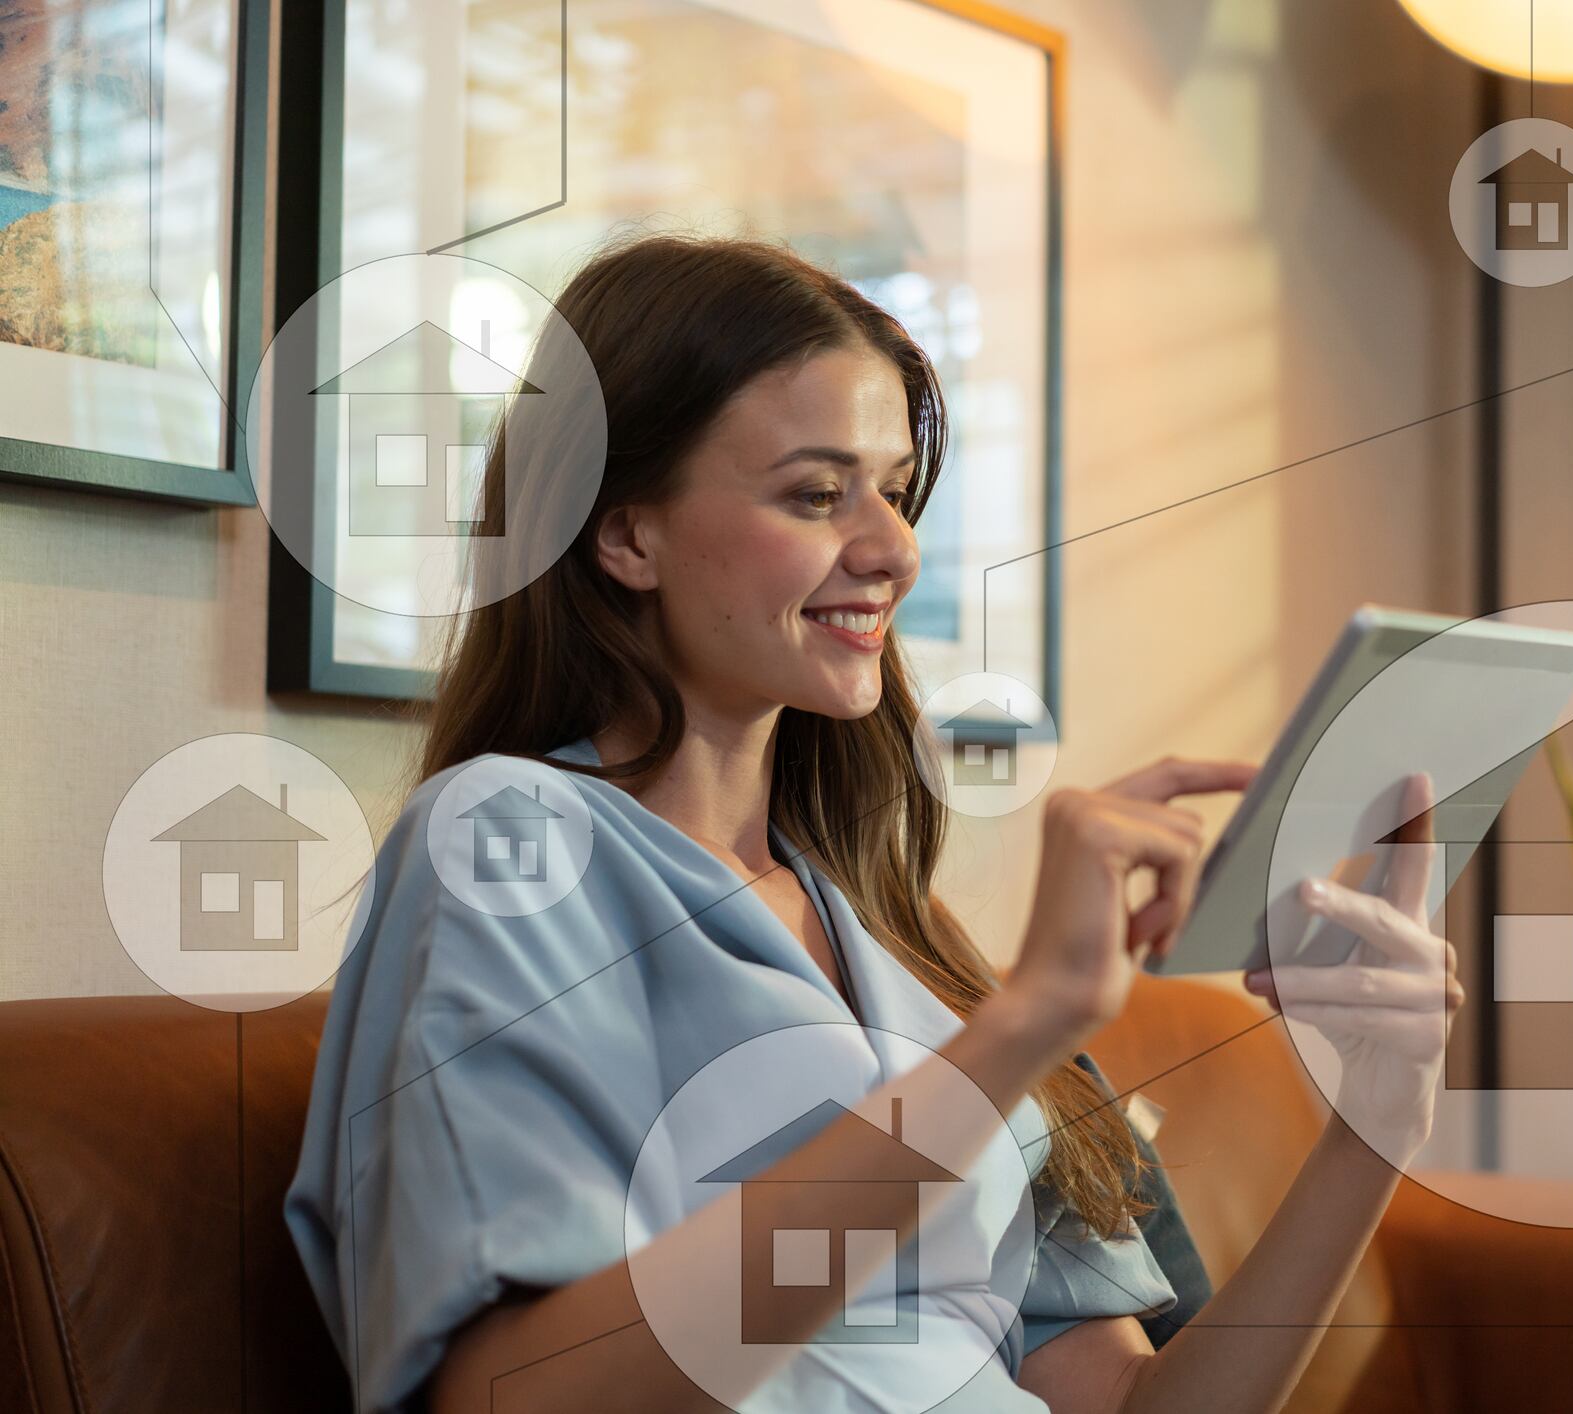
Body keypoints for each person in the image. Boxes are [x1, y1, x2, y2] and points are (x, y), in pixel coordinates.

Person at [285, 233, 1462, 1414]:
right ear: (623, 532)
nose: (895, 549)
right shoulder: (510, 839)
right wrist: (1016, 1033)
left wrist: (1374, 1118)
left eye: (893, 492)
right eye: (814, 493)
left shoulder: (895, 939)